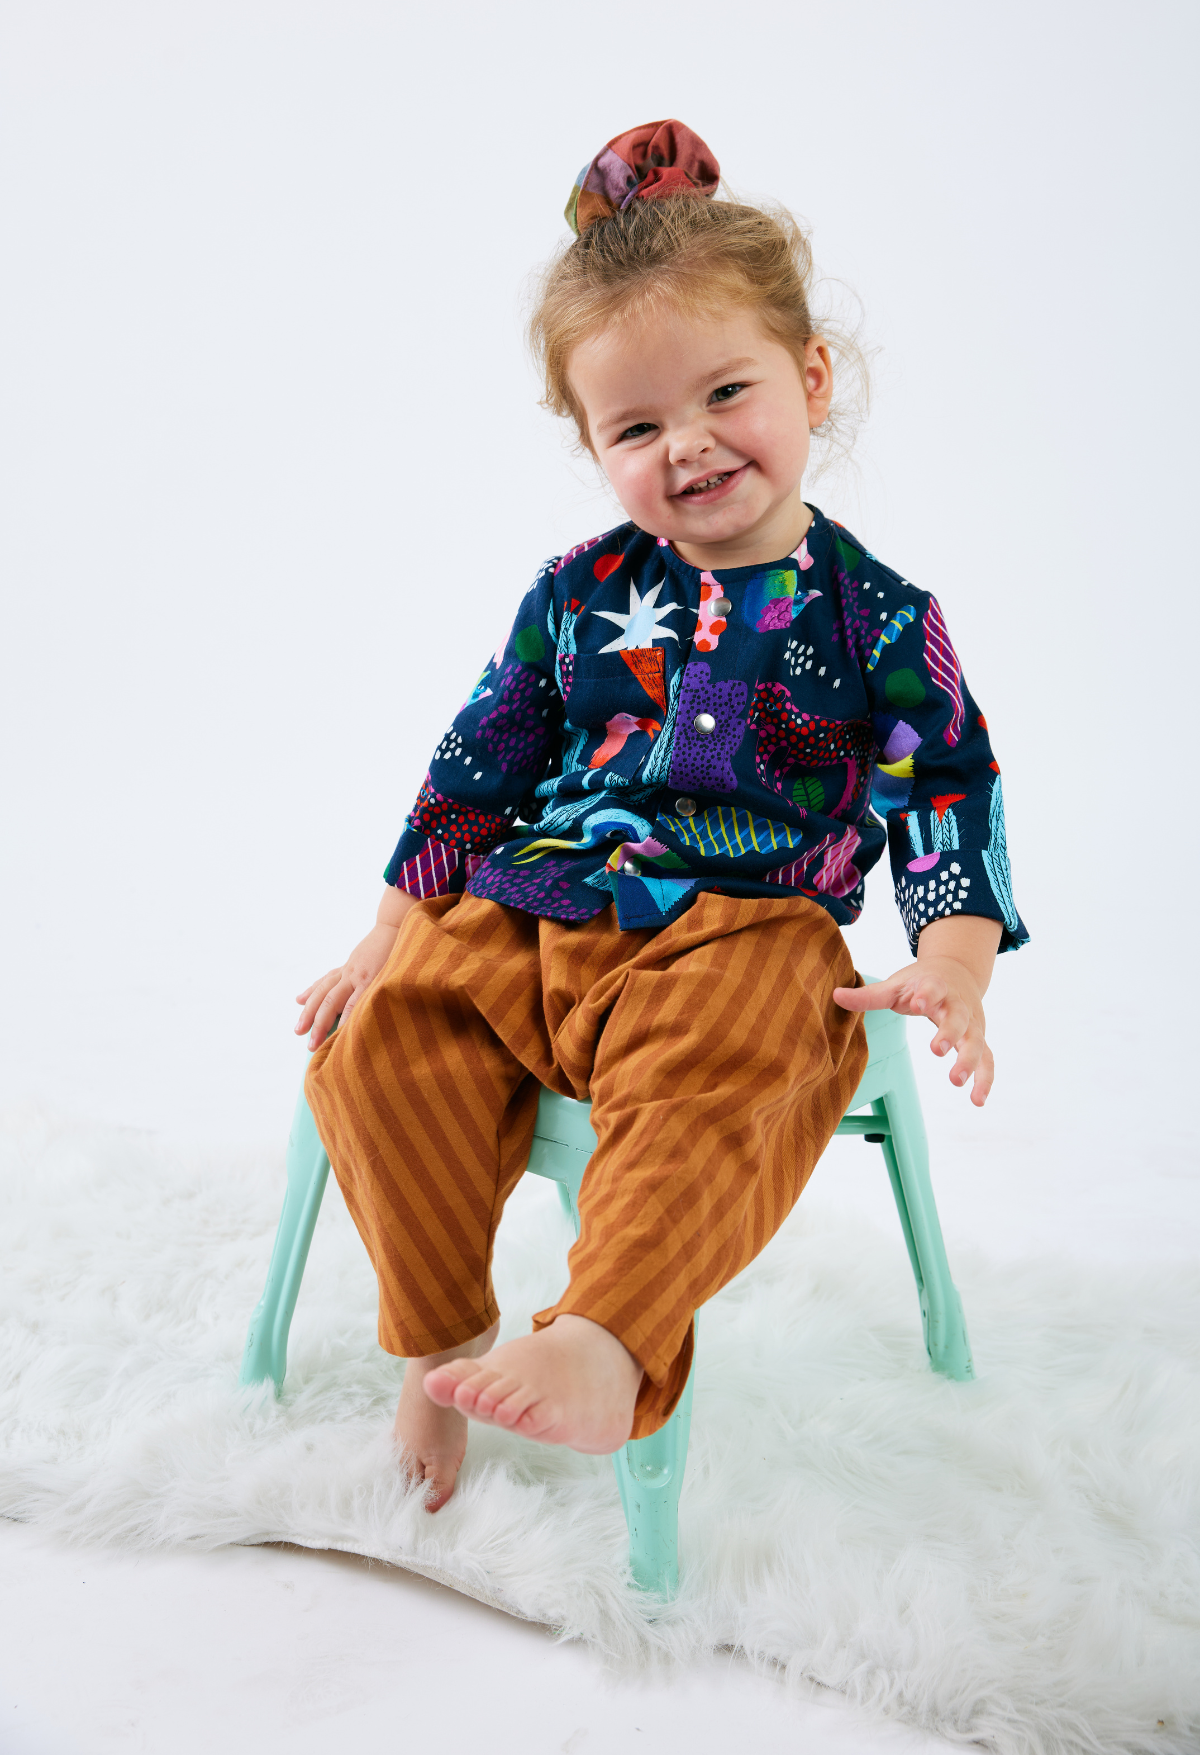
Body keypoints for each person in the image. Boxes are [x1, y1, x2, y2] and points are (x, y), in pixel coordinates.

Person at [296, 120, 1027, 1511]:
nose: (686, 446)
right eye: (635, 428)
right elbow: (478, 760)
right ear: (593, 444)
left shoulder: (879, 618)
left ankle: (604, 1335)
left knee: (736, 1061)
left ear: (811, 377)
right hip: (544, 896)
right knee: (386, 1033)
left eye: (726, 393)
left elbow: (947, 785)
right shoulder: (578, 591)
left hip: (746, 929)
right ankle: (441, 1331)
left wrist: (954, 962)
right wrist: (391, 927)